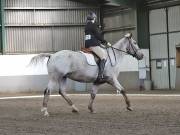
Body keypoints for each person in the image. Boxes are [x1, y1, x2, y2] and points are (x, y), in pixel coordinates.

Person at [84, 11, 111, 82]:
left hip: (87, 45)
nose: (95, 19)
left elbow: (92, 37)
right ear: (93, 18)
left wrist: (100, 45)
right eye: (95, 18)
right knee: (104, 57)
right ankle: (100, 76)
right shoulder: (93, 25)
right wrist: (106, 42)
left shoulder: (86, 26)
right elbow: (98, 36)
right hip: (93, 45)